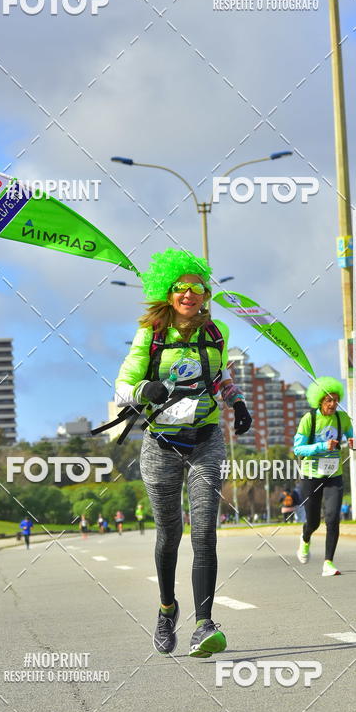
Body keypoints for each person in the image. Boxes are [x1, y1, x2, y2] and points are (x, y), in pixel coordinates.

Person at [112, 249, 252, 657]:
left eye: (197, 287)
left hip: (206, 437)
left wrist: (237, 403)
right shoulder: (151, 333)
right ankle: (166, 609)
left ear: (206, 293)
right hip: (161, 445)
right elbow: (122, 386)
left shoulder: (216, 333)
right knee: (170, 533)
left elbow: (220, 376)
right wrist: (142, 391)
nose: (189, 294)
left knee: (205, 530)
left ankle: (204, 624)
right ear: (169, 293)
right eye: (181, 287)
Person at [294, 376, 354, 576]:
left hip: (333, 474)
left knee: (332, 518)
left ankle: (328, 562)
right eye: (328, 400)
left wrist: (353, 439)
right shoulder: (309, 419)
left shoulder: (341, 418)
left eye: (336, 400)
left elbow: (350, 431)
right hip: (311, 476)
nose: (332, 404)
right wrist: (321, 446)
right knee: (313, 521)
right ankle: (305, 538)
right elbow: (298, 449)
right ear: (319, 400)